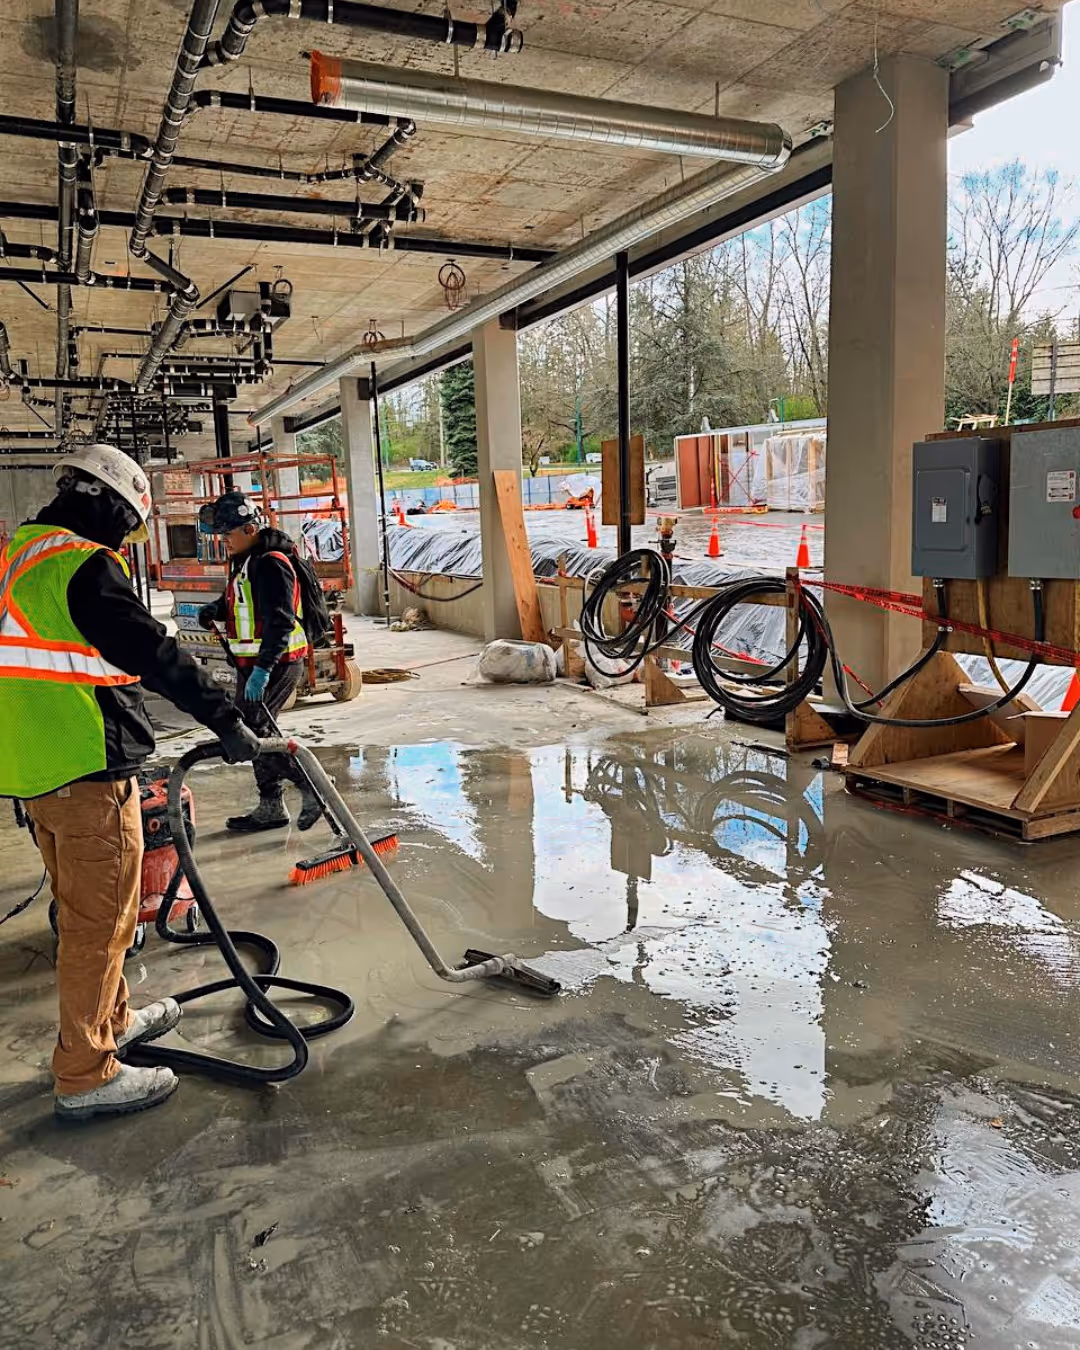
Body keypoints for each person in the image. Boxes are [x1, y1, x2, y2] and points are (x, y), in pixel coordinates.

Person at [0, 444, 261, 1121]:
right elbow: (154, 652)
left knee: (94, 915)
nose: (127, 540)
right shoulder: (81, 565)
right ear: (114, 507)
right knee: (100, 924)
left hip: (36, 770)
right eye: (131, 525)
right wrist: (225, 716)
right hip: (85, 768)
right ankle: (86, 1073)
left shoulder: (20, 558)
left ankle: (110, 1024)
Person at [197, 490, 321, 833]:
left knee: (255, 731)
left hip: (277, 663)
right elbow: (240, 600)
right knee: (253, 731)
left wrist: (263, 671)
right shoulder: (248, 562)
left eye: (228, 534)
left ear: (250, 529)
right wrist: (215, 609)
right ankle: (271, 806)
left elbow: (281, 621)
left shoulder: (270, 563)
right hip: (252, 664)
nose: (224, 542)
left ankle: (312, 790)